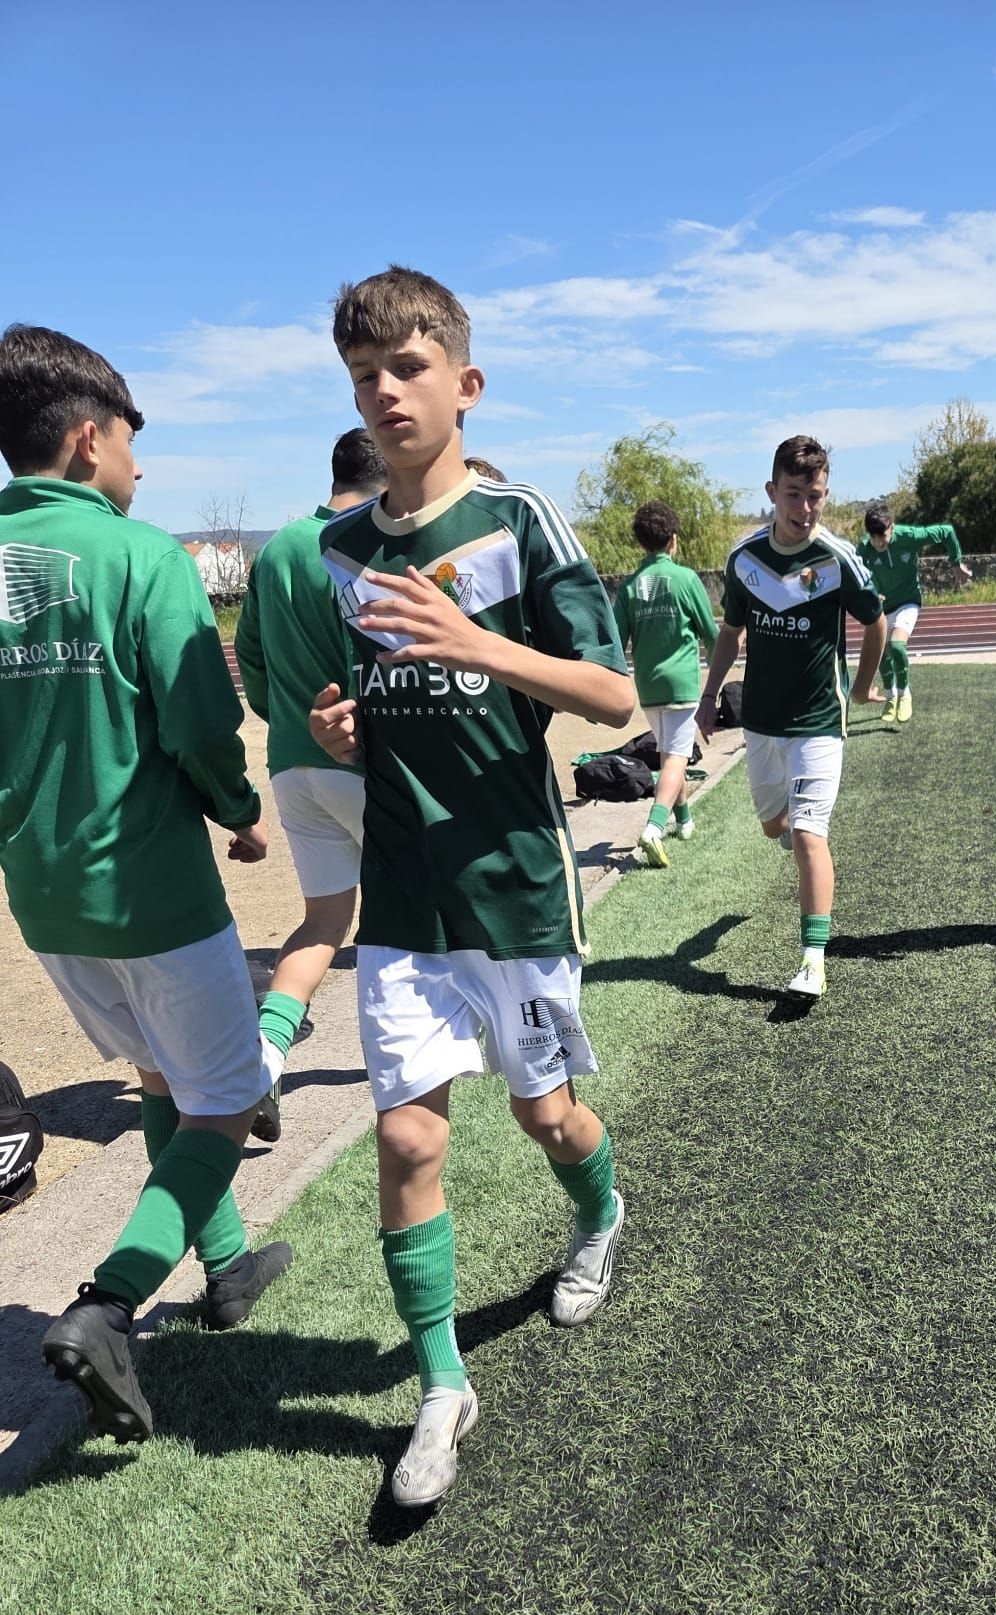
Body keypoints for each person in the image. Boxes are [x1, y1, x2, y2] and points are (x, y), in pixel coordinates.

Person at [310, 265, 635, 1508]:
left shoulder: (519, 521)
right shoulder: (342, 549)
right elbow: (381, 696)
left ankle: (599, 1215)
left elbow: (613, 696)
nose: (385, 392)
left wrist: (478, 645)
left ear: (467, 383)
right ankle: (443, 1387)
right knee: (405, 1134)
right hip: (403, 890)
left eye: (408, 367)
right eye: (364, 376)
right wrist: (346, 726)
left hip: (512, 886)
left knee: (547, 1116)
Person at [0, 325, 290, 1444]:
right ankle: (109, 1305)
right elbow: (203, 721)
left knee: (162, 1072)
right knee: (227, 1102)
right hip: (153, 889)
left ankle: (228, 1264)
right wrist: (239, 809)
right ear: (89, 440)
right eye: (131, 441)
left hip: (45, 899)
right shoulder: (140, 556)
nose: (139, 464)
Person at [236, 427, 386, 1141]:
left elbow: (251, 656)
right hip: (366, 760)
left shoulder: (276, 550)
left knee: (324, 921)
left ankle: (263, 1059)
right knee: (402, 915)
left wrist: (289, 721)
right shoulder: (369, 544)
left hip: (293, 762)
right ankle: (403, 1059)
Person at [695, 435, 885, 996]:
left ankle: (812, 960)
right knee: (774, 826)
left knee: (808, 833)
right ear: (772, 491)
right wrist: (708, 697)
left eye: (815, 496)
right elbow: (730, 632)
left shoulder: (837, 558)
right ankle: (791, 835)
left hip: (819, 720)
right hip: (761, 721)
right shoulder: (744, 559)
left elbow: (876, 623)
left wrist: (862, 686)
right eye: (795, 494)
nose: (805, 508)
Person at [612, 500, 719, 866]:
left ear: (641, 543)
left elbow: (616, 641)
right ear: (673, 539)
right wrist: (717, 676)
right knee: (676, 757)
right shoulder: (686, 580)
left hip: (648, 686)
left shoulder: (629, 587)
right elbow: (712, 634)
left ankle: (684, 821)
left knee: (669, 753)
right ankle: (654, 828)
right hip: (682, 685)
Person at [856, 505, 971, 722]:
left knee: (896, 645)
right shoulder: (863, 548)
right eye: (873, 537)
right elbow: (856, 574)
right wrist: (870, 592)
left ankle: (904, 694)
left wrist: (956, 564)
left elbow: (946, 531)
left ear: (891, 528)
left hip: (908, 601)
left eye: (883, 536)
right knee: (881, 656)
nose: (878, 542)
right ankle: (890, 697)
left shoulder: (909, 536)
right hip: (882, 607)